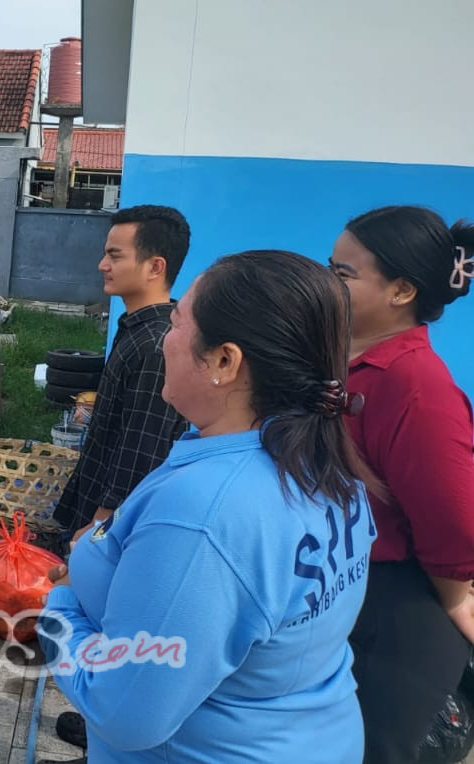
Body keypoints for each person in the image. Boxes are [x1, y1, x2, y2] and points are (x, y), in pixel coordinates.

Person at [43, 250, 378, 764]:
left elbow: (125, 712)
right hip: (314, 734)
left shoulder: (206, 513)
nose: (166, 340)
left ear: (224, 361)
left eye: (176, 323)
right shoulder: (323, 462)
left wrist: (61, 607)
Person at [329, 205, 474, 763]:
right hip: (340, 590)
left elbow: (452, 521)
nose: (328, 283)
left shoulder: (417, 386)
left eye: (344, 274)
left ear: (401, 291)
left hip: (391, 609)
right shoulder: (346, 366)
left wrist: (455, 599)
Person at [49, 205, 191, 546]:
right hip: (97, 506)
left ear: (155, 267)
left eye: (115, 256)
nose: (103, 265)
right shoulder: (136, 329)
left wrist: (100, 527)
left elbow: (142, 450)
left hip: (113, 527)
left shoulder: (157, 345)